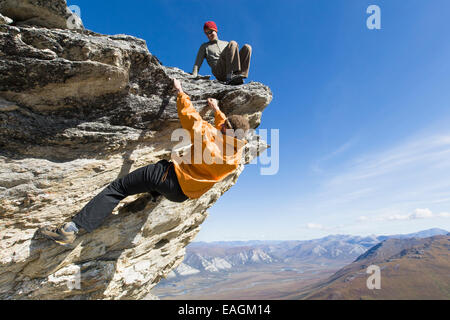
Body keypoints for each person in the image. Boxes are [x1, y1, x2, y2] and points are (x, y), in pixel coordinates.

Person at [39, 79, 250, 246]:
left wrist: (180, 93)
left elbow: (191, 118)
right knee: (152, 184)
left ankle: (71, 229)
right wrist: (217, 111)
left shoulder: (208, 134)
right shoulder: (235, 156)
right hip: (182, 195)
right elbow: (227, 130)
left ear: (225, 130)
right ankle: (148, 197)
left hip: (168, 177)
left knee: (118, 188)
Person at [192, 21, 252, 85]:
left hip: (230, 67)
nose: (209, 35)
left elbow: (234, 55)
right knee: (233, 43)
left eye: (210, 32)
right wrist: (193, 76)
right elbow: (197, 64)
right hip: (219, 71)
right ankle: (230, 76)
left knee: (247, 47)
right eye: (206, 33)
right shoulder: (204, 46)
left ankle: (240, 75)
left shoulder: (226, 43)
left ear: (216, 31)